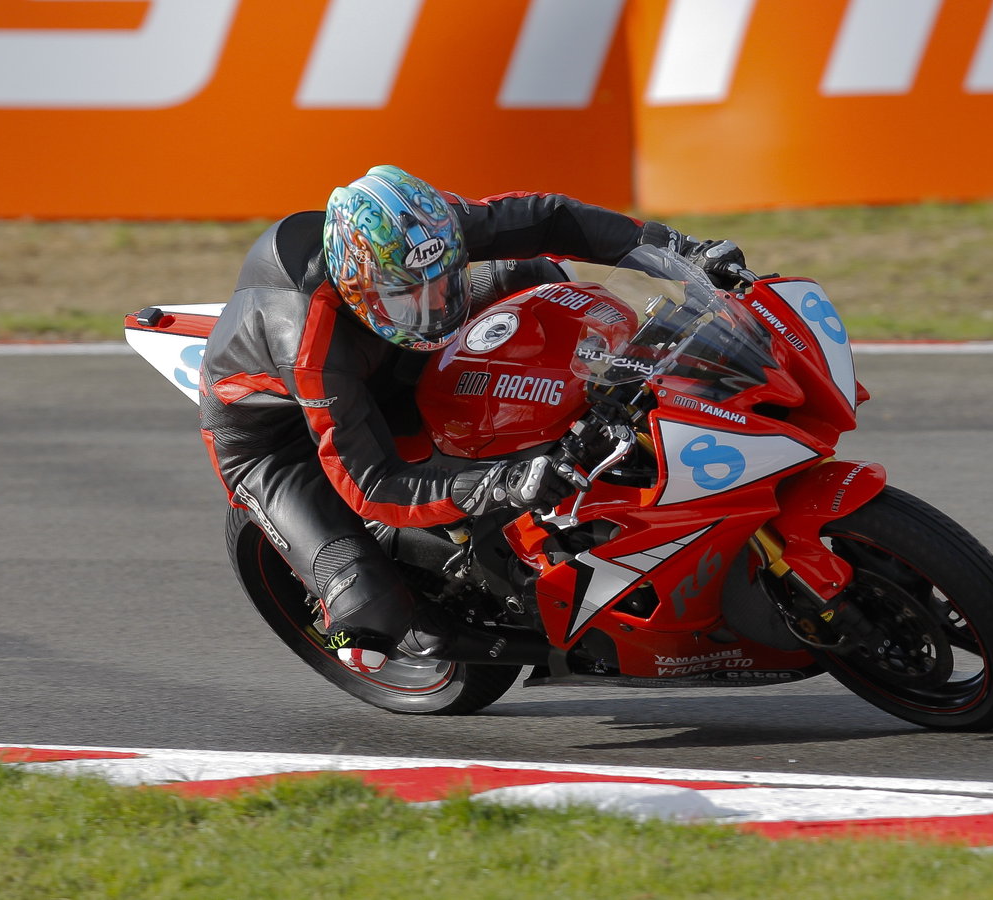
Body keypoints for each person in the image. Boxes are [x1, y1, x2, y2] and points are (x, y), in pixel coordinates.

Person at [199, 165, 747, 667]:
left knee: (537, 272)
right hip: (277, 442)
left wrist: (680, 252)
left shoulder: (420, 236)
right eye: (411, 295)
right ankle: (356, 612)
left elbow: (551, 217)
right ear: (356, 284)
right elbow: (373, 486)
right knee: (370, 608)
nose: (436, 306)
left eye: (444, 281)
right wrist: (504, 484)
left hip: (388, 352)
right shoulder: (307, 339)